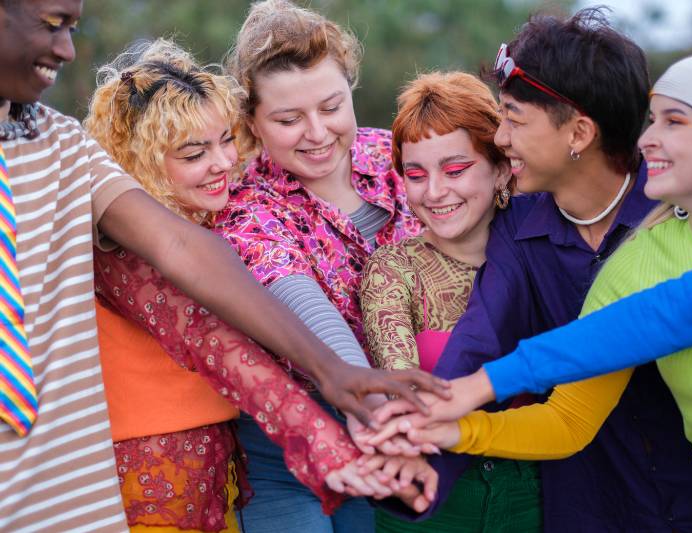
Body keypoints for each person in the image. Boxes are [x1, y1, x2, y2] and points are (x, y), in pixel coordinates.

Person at [0, 1, 445, 531]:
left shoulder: (61, 146)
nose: (67, 49)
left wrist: (345, 387)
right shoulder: (210, 216)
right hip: (151, 462)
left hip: (182, 466)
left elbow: (187, 251)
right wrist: (337, 405)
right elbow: (215, 332)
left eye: (224, 142)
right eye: (53, 25)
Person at [379, 50, 692, 533]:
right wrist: (454, 424)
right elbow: (632, 332)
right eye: (651, 120)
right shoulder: (641, 259)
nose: (648, 140)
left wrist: (474, 390)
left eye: (674, 122)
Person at [82, 38, 417, 532]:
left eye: (225, 140)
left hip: (224, 461)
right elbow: (220, 346)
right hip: (155, 469)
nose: (222, 164)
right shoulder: (124, 247)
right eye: (195, 152)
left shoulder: (214, 217)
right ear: (142, 160)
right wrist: (327, 438)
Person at [216, 1, 431, 530]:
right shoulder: (244, 203)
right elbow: (304, 303)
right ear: (252, 122)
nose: (317, 133)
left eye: (331, 107)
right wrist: (379, 416)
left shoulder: (401, 159)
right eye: (289, 120)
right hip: (289, 453)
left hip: (415, 426)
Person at [359, 71, 541, 532]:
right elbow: (402, 391)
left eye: (455, 170)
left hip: (538, 486)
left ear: (502, 166)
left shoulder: (544, 253)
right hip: (430, 493)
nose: (435, 192)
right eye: (416, 175)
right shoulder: (394, 270)